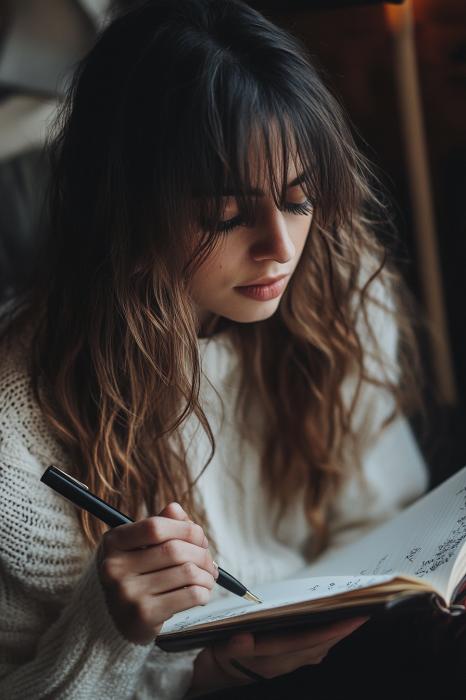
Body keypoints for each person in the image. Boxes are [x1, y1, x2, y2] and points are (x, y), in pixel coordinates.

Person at [0, 1, 462, 698]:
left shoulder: (337, 292)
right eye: (227, 214)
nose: (281, 249)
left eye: (300, 199)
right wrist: (112, 634)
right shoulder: (18, 429)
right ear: (126, 210)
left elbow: (380, 522)